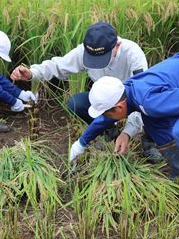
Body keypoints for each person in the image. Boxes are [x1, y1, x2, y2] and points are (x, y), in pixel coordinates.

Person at [69, 52, 179, 224]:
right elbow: (104, 119)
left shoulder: (147, 100)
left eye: (108, 113)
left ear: (119, 107)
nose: (107, 118)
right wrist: (80, 144)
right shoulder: (127, 92)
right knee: (153, 123)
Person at [11, 21, 162, 160]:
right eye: (94, 58)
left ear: (117, 45)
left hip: (131, 100)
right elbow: (59, 65)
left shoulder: (133, 55)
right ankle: (109, 132)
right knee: (75, 103)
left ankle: (149, 143)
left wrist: (128, 133)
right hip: (106, 102)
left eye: (103, 57)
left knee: (153, 104)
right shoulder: (86, 51)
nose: (97, 62)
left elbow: (142, 96)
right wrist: (32, 73)